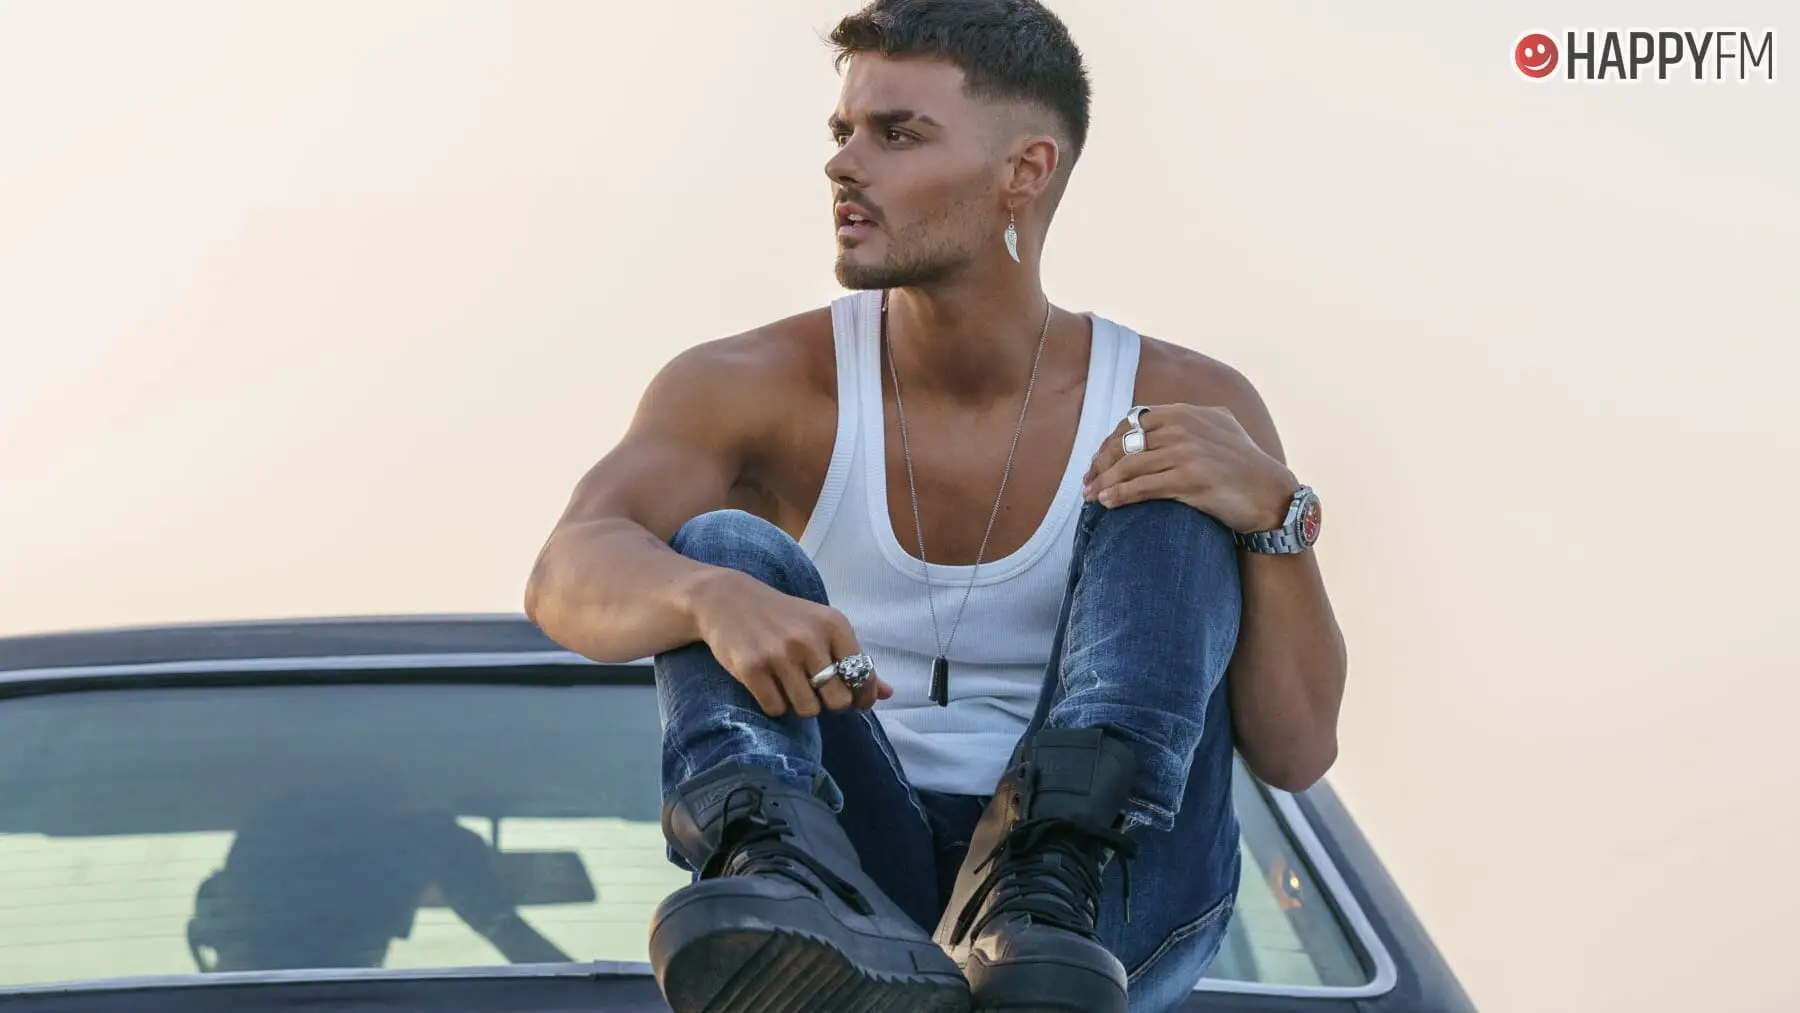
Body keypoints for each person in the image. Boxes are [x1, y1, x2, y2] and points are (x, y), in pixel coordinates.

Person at [525, 1, 1346, 1010]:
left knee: (1166, 476)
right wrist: (706, 596)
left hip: (1107, 903)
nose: (842, 165)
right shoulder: (754, 384)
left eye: (897, 134)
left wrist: (1279, 516)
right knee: (718, 547)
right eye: (842, 131)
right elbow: (566, 568)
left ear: (1024, 170)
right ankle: (779, 891)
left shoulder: (1188, 397)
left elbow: (1297, 752)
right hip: (857, 886)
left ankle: (1049, 883)